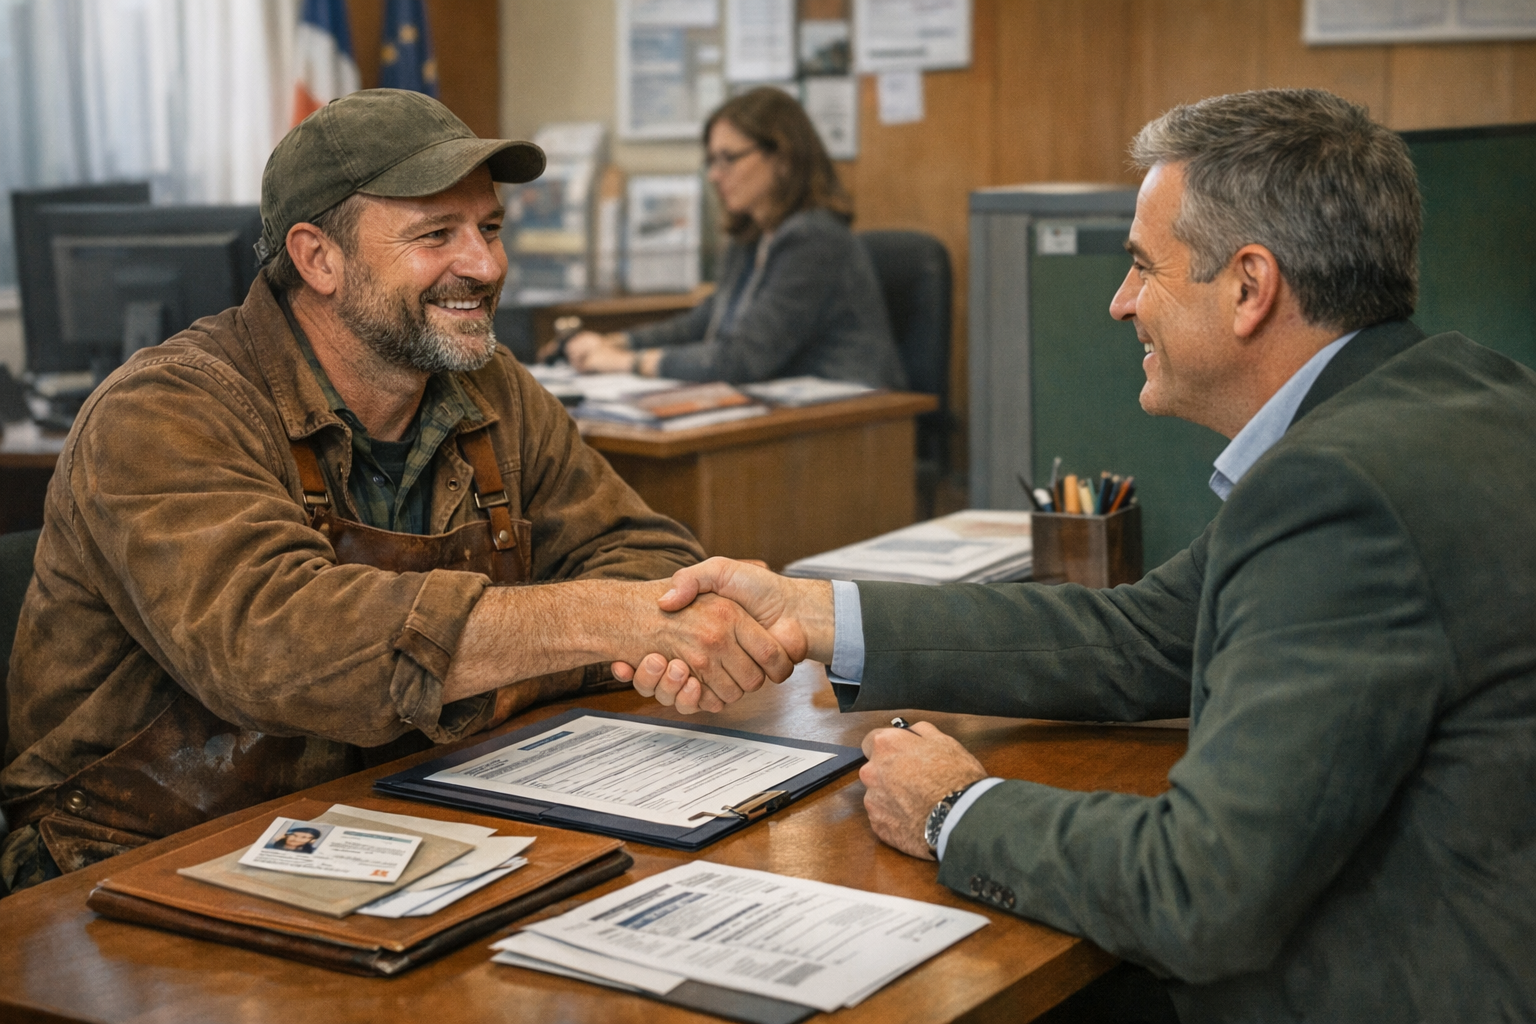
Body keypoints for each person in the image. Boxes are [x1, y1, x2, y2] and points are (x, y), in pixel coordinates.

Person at [616, 89, 1536, 1021]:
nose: (1119, 301)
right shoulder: (1459, 390)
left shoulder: (1335, 492)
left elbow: (1200, 892)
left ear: (1251, 287)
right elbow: (1144, 634)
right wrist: (814, 613)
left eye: (1143, 266)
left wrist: (955, 811)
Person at [0, 90, 794, 893]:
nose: (485, 266)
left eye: (488, 228)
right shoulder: (162, 413)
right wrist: (594, 625)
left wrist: (559, 638)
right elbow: (278, 649)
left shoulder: (489, 388)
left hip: (388, 819)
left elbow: (650, 558)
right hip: (128, 866)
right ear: (318, 259)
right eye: (435, 235)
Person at [560, 87, 907, 389]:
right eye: (711, 161)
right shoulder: (751, 237)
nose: (714, 175)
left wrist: (626, 362)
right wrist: (618, 342)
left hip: (853, 422)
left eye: (728, 158)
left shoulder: (814, 239)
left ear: (783, 157)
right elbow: (706, 322)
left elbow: (743, 359)